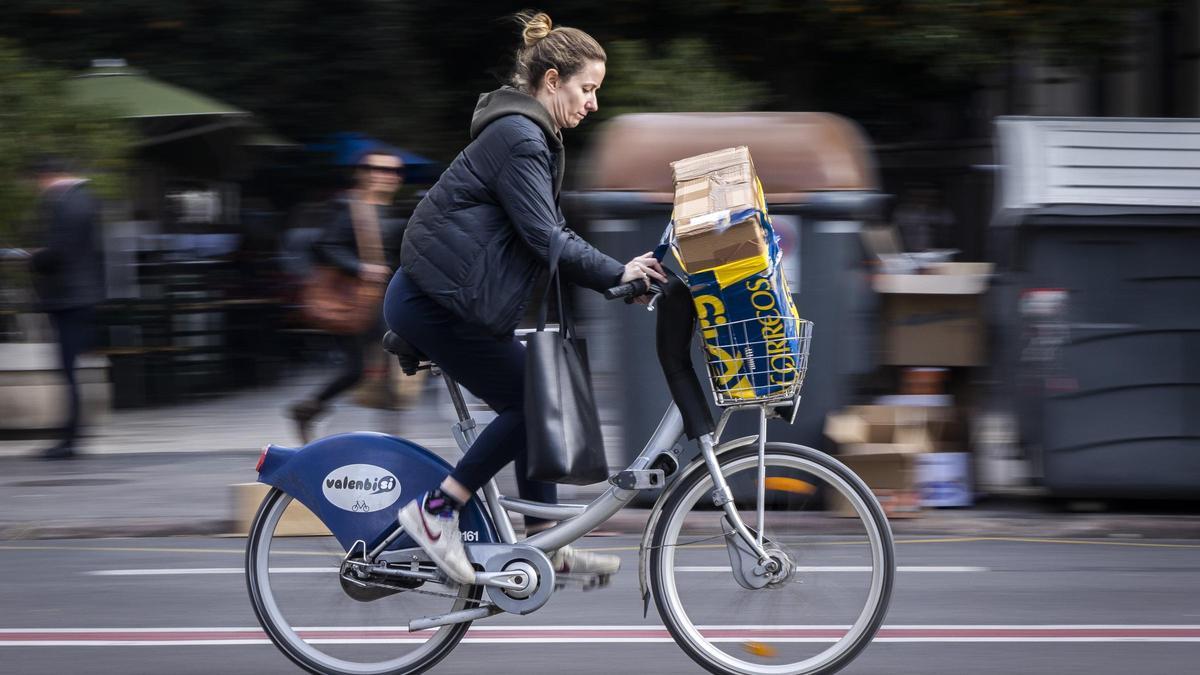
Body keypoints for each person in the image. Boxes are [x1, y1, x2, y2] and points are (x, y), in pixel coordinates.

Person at [386, 11, 666, 584]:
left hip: (456, 299)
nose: (592, 103)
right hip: (433, 301)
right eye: (587, 89)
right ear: (551, 80)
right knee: (535, 402)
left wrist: (619, 277)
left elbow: (545, 236)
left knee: (540, 399)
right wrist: (620, 274)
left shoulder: (529, 134)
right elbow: (546, 236)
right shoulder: (518, 137)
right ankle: (436, 514)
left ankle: (545, 546)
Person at [287, 149, 405, 443]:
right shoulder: (350, 207)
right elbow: (326, 245)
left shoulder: (386, 209)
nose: (386, 176)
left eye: (392, 171)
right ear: (363, 174)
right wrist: (361, 267)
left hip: (379, 299)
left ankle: (309, 410)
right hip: (355, 301)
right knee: (371, 364)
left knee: (379, 363)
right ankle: (391, 440)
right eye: (378, 169)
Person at [26, 155, 104, 460]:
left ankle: (70, 439)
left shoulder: (67, 203)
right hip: (79, 297)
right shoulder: (82, 199)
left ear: (48, 176)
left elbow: (58, 253)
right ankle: (70, 436)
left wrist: (33, 258)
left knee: (68, 371)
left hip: (70, 299)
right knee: (69, 370)